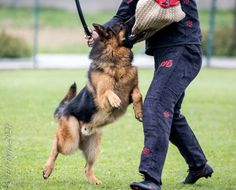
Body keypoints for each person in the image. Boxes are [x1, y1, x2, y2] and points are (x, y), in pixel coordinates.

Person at [85, 0, 213, 189]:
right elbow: (122, 17)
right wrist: (100, 32)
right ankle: (198, 165)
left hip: (183, 46)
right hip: (164, 50)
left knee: (156, 105)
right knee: (171, 114)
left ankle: (151, 178)